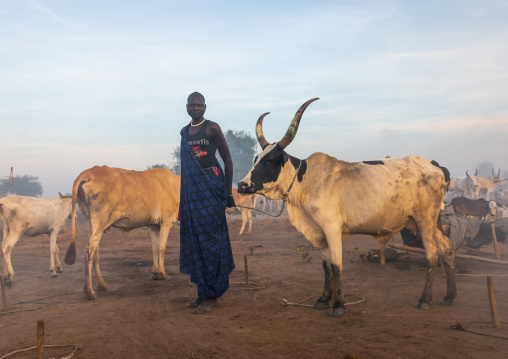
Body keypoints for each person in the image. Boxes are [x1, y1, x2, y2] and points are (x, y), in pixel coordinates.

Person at [179, 91, 236, 314]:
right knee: (195, 240)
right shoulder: (183, 133)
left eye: (199, 105)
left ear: (205, 107)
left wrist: (228, 191)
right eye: (191, 105)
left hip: (212, 187)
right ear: (186, 107)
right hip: (192, 192)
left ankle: (212, 295)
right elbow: (185, 168)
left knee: (211, 239)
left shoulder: (212, 128)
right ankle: (202, 292)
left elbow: (227, 159)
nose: (195, 108)